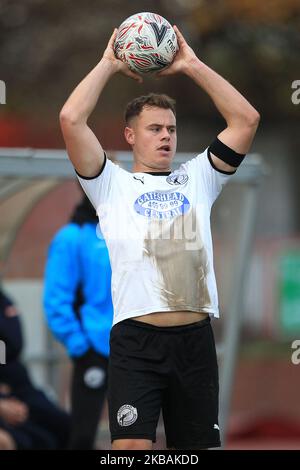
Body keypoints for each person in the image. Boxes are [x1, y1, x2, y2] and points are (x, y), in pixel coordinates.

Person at [59, 25, 260, 450]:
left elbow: (246, 119)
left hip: (194, 342)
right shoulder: (109, 184)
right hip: (136, 342)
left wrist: (191, 66)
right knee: (131, 452)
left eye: (170, 129)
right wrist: (108, 64)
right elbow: (71, 119)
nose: (166, 136)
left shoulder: (198, 178)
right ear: (130, 135)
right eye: (154, 129)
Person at [44, 193, 113, 449]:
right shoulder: (71, 238)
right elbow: (56, 299)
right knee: (83, 435)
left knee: (138, 436)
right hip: (92, 350)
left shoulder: (130, 230)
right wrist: (80, 345)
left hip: (135, 347)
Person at [0, 287, 70, 449]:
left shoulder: (3, 298)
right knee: (23, 441)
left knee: (62, 426)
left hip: (17, 389)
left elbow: (14, 343)